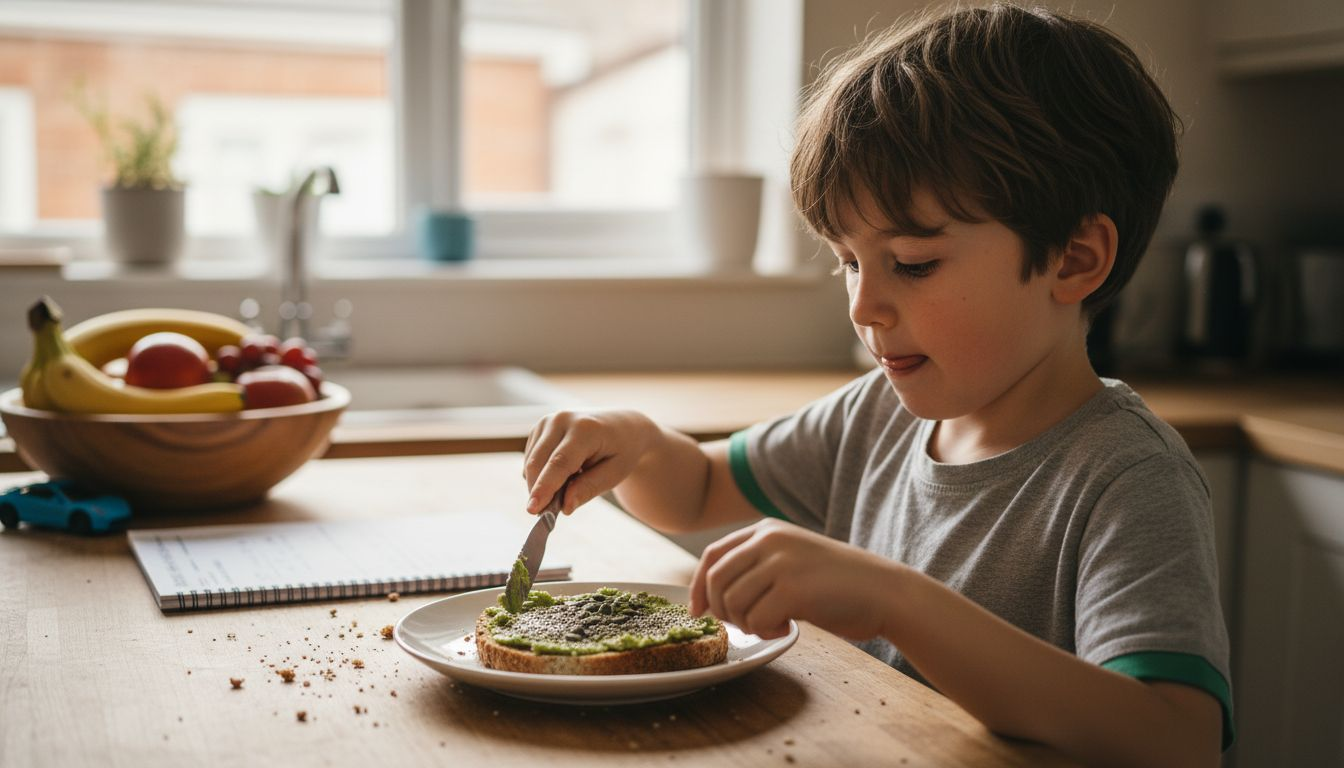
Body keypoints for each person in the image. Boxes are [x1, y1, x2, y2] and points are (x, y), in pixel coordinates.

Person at [522, 3, 1231, 765]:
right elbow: (693, 493)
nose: (863, 305)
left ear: (1074, 259)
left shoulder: (1127, 475)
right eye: (849, 262)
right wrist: (634, 441)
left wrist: (896, 601)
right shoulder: (877, 415)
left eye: (914, 263)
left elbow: (1175, 737)